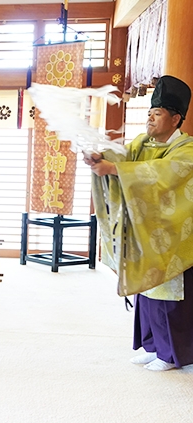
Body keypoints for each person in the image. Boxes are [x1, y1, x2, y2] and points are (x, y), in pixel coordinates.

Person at [85, 75, 193, 372]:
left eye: (157, 114)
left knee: (166, 294)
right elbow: (122, 155)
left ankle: (170, 354)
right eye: (148, 113)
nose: (150, 119)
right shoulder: (143, 142)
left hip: (172, 236)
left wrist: (115, 169)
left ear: (175, 119)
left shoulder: (186, 150)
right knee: (145, 290)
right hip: (144, 230)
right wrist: (100, 157)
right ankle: (152, 345)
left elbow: (163, 173)